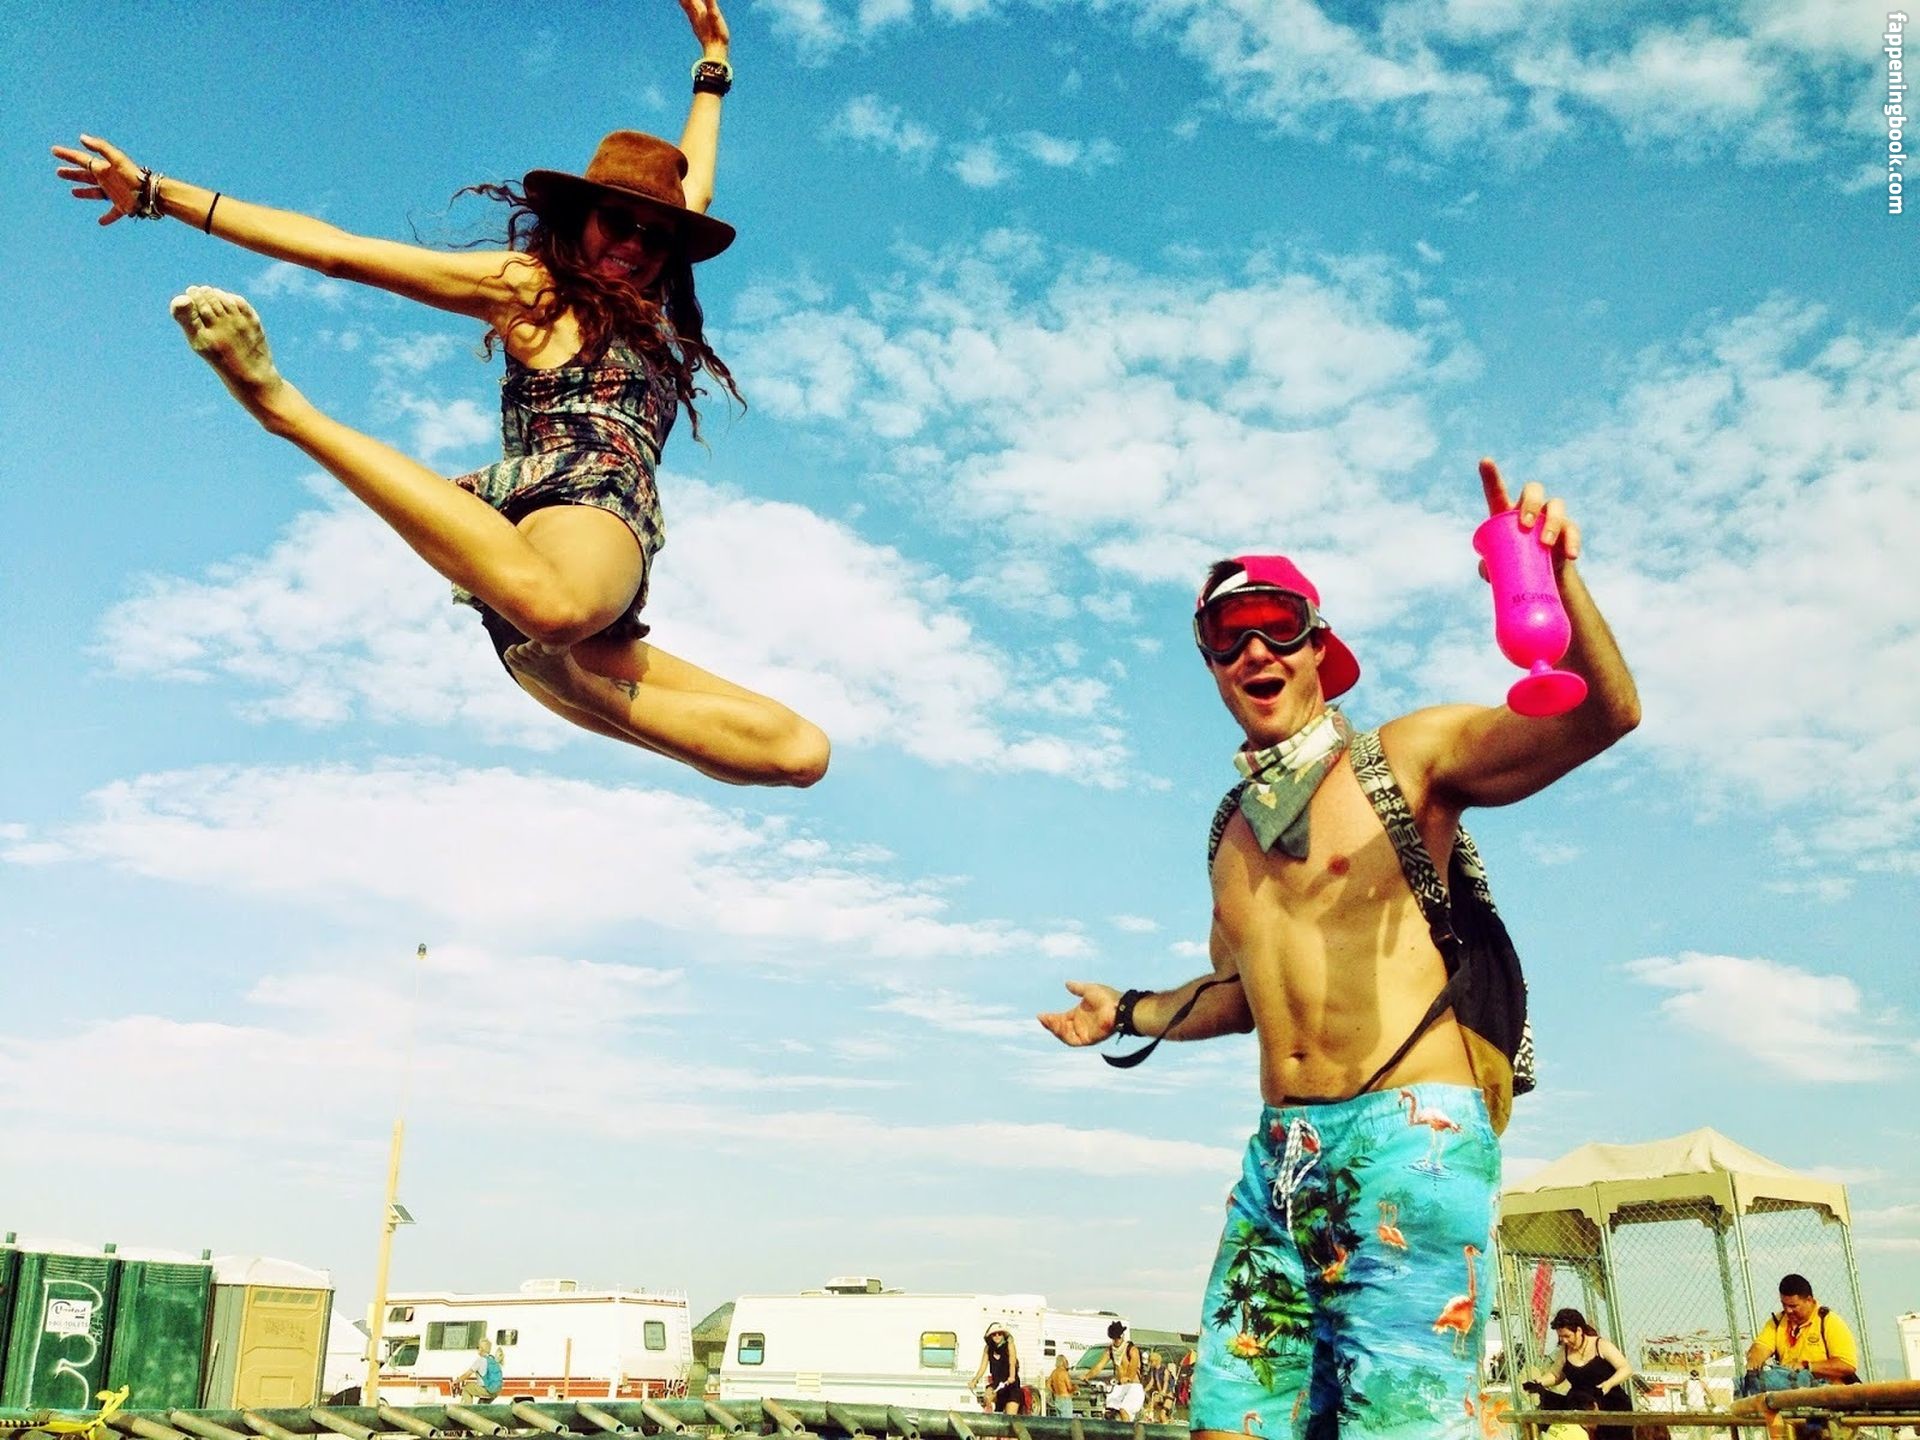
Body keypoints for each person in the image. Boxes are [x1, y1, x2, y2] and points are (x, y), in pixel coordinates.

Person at [51, 0, 829, 789]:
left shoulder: (649, 300)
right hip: (568, 521)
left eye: (654, 235)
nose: (634, 243)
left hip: (576, 608)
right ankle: (282, 407)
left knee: (798, 753)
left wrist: (713, 62)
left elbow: (694, 188)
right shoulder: (532, 287)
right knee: (559, 609)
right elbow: (339, 253)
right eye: (616, 223)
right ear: (578, 219)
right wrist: (157, 193)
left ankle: (573, 682)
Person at [1039, 461, 1639, 1440]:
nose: (1255, 649)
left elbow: (1602, 716)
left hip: (1411, 1138)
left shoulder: (1407, 757)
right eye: (1227, 636)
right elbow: (1240, 994)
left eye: (1277, 625)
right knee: (1231, 1419)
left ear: (1320, 646)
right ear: (1212, 667)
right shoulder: (1230, 834)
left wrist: (1559, 582)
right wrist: (1127, 1011)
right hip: (1279, 1160)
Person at [1741, 1273, 1860, 1394]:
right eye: (1784, 1305)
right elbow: (1761, 1347)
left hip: (1829, 1395)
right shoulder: (1777, 1322)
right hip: (1791, 1393)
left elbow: (1847, 1364)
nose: (1788, 1310)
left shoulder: (1828, 1321)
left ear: (1809, 1300)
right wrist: (1755, 1360)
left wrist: (1807, 1366)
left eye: (1793, 1306)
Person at [1525, 1308, 1634, 1440]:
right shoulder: (1564, 1351)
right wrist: (1537, 1382)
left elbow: (1626, 1369)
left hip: (1609, 1403)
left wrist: (1608, 1384)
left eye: (1567, 1336)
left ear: (1579, 1330)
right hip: (1580, 1406)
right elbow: (1555, 1375)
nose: (1564, 1341)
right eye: (1561, 1337)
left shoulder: (1601, 1345)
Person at [1088, 1319, 1146, 1421]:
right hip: (1119, 1387)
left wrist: (1128, 1378)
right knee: (1109, 1413)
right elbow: (1099, 1366)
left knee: (1124, 1410)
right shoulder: (1110, 1350)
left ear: (1122, 1335)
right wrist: (1087, 1376)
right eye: (1114, 1338)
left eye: (1118, 1337)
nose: (1117, 1340)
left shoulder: (1132, 1349)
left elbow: (1133, 1367)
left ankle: (1127, 1430)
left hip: (1133, 1387)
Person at [971, 1322, 1024, 1414]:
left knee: (1010, 1416)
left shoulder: (1009, 1345)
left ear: (1003, 1335)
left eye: (1000, 1334)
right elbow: (983, 1366)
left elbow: (1012, 1362)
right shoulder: (988, 1348)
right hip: (997, 1384)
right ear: (990, 1336)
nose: (997, 1336)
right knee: (988, 1394)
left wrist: (1011, 1376)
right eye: (994, 1334)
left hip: (1010, 1385)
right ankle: (988, 1411)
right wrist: (975, 1380)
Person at [456, 1336, 503, 1403]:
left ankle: (467, 1407)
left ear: (481, 1349)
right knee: (481, 1403)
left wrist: (456, 1381)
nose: (477, 1349)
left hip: (486, 1390)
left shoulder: (480, 1360)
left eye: (478, 1347)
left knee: (466, 1388)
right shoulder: (492, 1359)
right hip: (496, 1391)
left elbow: (467, 1374)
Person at [1046, 1353, 1077, 1417]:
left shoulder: (1054, 1372)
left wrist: (1053, 1391)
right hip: (1065, 1399)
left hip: (1057, 1398)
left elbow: (1048, 1384)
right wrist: (1075, 1388)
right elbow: (1069, 1388)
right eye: (1066, 1361)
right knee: (1067, 1420)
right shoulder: (1064, 1373)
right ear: (1063, 1362)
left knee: (1059, 1420)